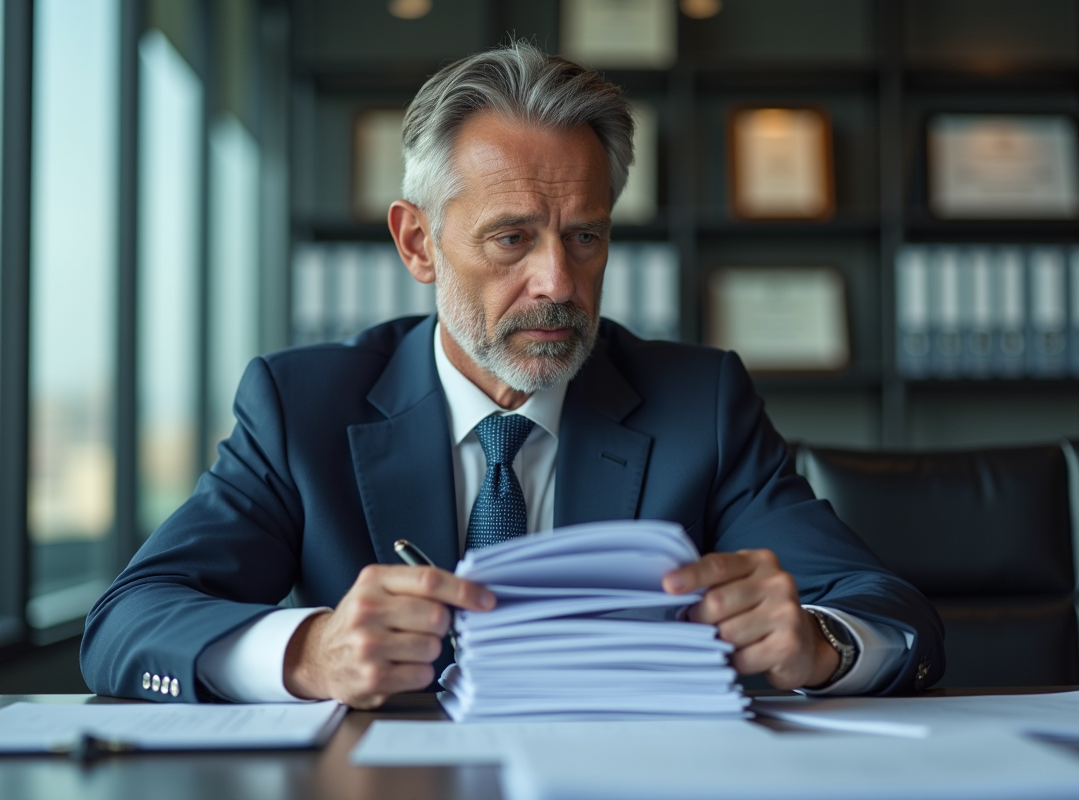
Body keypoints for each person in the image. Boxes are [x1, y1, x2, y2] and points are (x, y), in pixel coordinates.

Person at [81, 42, 944, 708]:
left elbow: (892, 613)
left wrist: (823, 645)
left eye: (586, 237)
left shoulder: (701, 404)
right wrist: (309, 654)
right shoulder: (300, 406)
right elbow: (130, 620)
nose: (559, 285)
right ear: (418, 242)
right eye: (510, 238)